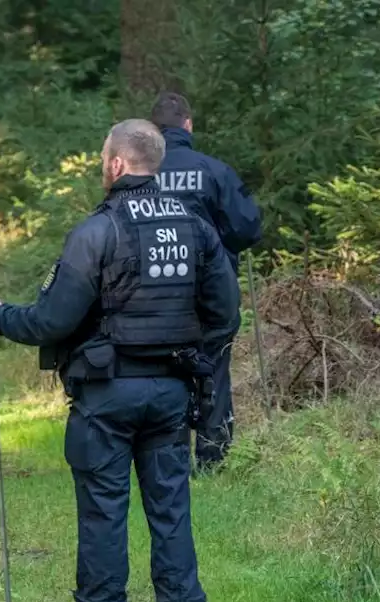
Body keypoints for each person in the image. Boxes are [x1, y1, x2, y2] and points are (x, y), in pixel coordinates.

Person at [0, 119, 238, 602]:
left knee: (102, 520)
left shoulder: (97, 231)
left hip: (105, 398)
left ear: (116, 164)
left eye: (103, 158)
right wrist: (194, 362)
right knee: (171, 518)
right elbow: (226, 315)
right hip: (170, 396)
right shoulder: (196, 226)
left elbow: (51, 320)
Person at [150, 92, 263, 472]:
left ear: (154, 131)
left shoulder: (142, 174)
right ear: (188, 125)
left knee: (164, 368)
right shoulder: (214, 171)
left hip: (158, 294)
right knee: (214, 366)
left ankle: (169, 453)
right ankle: (213, 457)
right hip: (214, 291)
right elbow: (247, 228)